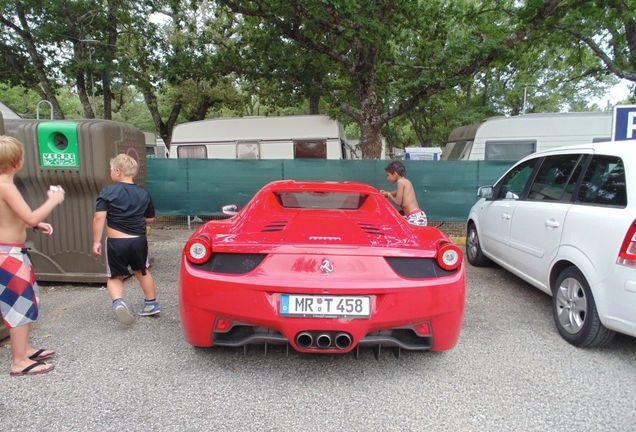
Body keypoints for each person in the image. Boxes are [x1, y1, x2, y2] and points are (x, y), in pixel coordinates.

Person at [0, 135, 65, 376]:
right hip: (9, 255)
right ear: (18, 162)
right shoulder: (6, 186)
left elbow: (13, 218)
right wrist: (53, 200)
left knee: (27, 299)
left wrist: (35, 226)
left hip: (9, 252)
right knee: (19, 304)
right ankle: (19, 361)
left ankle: (25, 349)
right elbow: (29, 217)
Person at [92, 153, 159, 325]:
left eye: (111, 170)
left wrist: (96, 241)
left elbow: (99, 218)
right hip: (138, 240)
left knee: (115, 276)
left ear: (118, 171)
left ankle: (119, 302)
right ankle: (151, 304)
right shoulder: (143, 193)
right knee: (142, 270)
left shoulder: (108, 191)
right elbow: (150, 218)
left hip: (116, 242)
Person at [380, 160, 428, 226]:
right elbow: (398, 192)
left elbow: (398, 202)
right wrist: (387, 193)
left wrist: (389, 195)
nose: (387, 178)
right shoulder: (405, 181)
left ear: (395, 174)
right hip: (417, 215)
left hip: (415, 217)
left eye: (388, 175)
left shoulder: (400, 182)